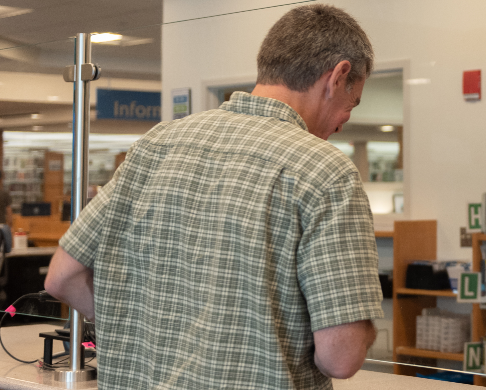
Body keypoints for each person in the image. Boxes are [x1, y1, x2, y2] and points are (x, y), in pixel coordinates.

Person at [44, 4, 382, 389]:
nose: (344, 122)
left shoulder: (156, 144)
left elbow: (63, 276)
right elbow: (342, 356)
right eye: (352, 104)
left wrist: (138, 327)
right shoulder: (324, 171)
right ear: (338, 75)